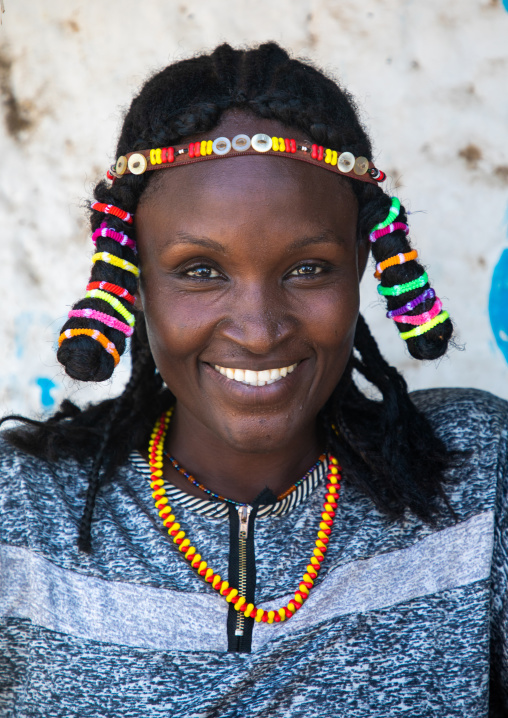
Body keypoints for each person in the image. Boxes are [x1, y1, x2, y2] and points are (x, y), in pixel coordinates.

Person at [0, 42, 506, 718]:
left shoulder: (477, 475)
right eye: (201, 271)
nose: (261, 329)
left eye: (308, 269)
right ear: (131, 273)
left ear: (362, 262)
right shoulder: (23, 516)